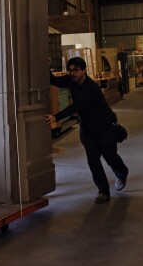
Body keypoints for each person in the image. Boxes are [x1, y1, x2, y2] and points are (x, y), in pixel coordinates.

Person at [45, 56, 128, 204]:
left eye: (76, 70)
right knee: (93, 160)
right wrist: (47, 65)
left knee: (110, 157)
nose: (72, 73)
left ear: (83, 71)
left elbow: (76, 106)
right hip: (88, 129)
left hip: (105, 127)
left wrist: (55, 117)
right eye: (70, 70)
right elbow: (54, 81)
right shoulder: (71, 80)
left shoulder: (91, 87)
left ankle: (122, 173)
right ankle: (103, 190)